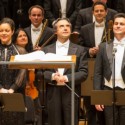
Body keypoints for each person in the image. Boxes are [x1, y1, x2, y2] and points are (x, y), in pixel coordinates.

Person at [42, 18, 88, 125]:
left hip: (71, 92)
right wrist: (53, 76)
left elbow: (84, 72)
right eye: (61, 26)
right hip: (53, 93)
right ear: (55, 31)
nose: (65, 28)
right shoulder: (46, 50)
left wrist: (66, 78)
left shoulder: (80, 50)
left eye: (67, 26)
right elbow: (40, 73)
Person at [79, 1, 112, 125]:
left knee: (105, 102)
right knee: (90, 101)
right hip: (91, 66)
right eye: (96, 11)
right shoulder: (84, 28)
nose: (99, 13)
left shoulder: (111, 28)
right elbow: (79, 47)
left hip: (108, 67)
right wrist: (89, 51)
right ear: (92, 12)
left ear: (106, 12)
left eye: (101, 11)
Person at [94, 13, 125, 125]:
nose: (118, 26)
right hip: (108, 89)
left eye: (122, 24)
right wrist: (98, 97)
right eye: (116, 23)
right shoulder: (103, 46)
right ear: (112, 27)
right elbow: (97, 73)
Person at [12, 28, 42, 125]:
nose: (23, 37)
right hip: (20, 89)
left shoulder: (28, 52)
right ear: (15, 39)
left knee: (36, 114)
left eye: (24, 35)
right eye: (20, 36)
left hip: (30, 88)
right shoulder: (16, 51)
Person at [0, 18, 27, 125]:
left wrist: (12, 89)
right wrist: (1, 88)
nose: (3, 33)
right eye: (1, 31)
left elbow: (22, 72)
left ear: (12, 31)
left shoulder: (21, 51)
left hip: (16, 93)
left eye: (6, 30)